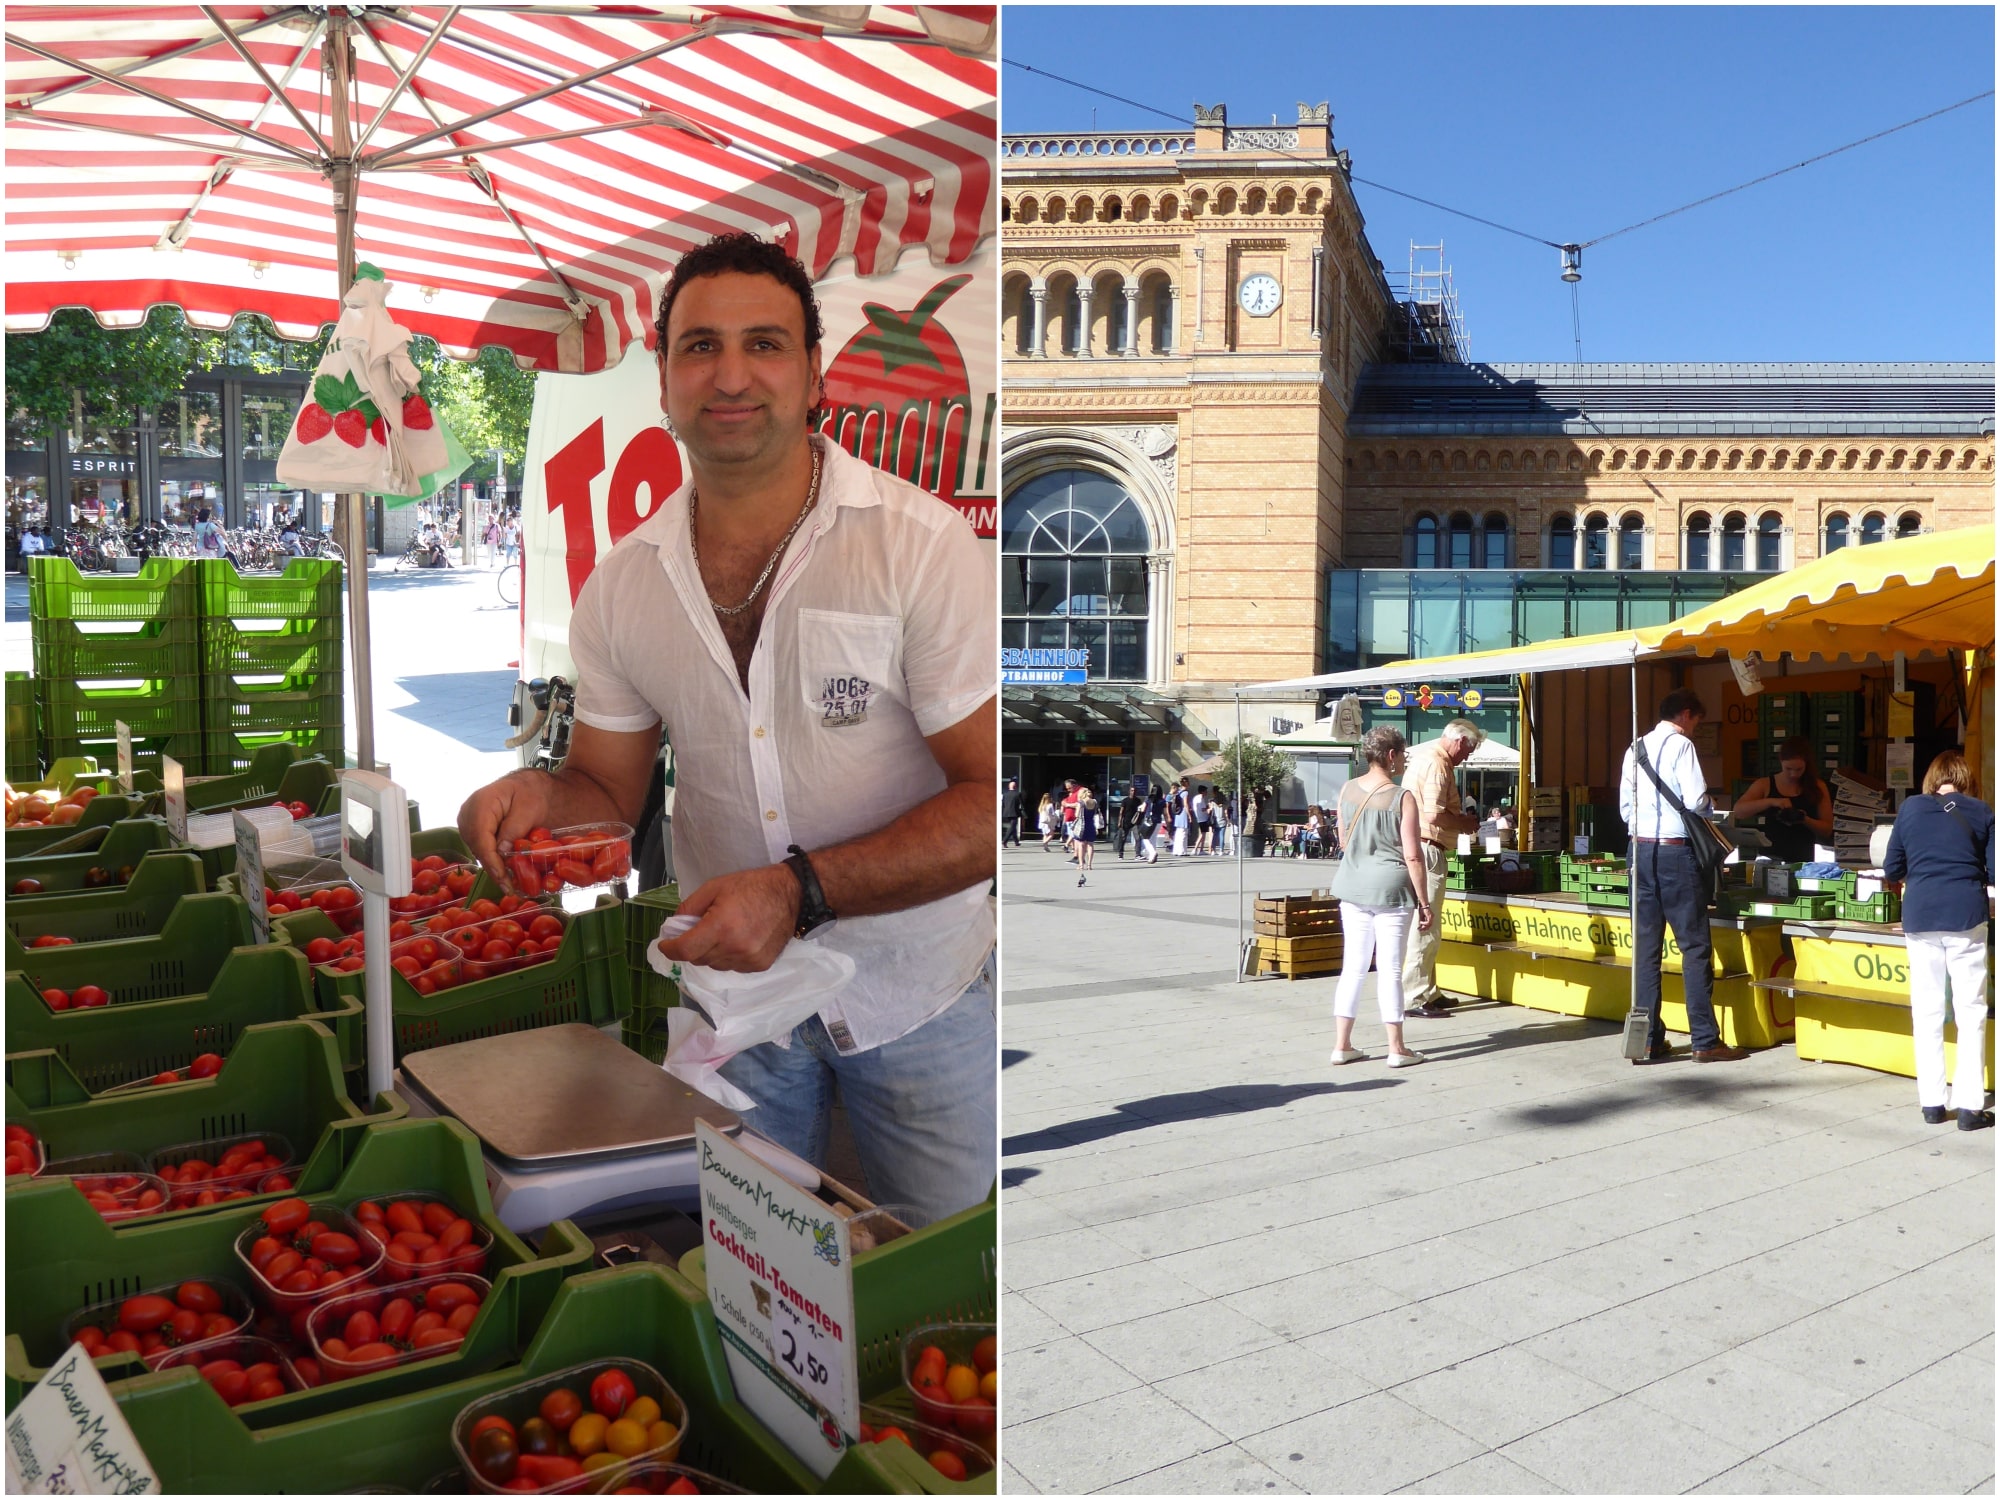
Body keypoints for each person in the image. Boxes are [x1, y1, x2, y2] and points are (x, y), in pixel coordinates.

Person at [457, 232, 995, 1220]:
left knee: (945, 1281)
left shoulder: (921, 547)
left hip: (919, 991)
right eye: (700, 347)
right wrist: (539, 794)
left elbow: (986, 806)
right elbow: (607, 800)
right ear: (662, 381)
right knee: (755, 1264)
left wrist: (800, 890)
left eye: (765, 344)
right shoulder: (622, 587)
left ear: (813, 375)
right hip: (737, 1007)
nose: (731, 375)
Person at [1620, 688, 1745, 1066]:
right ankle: (1705, 1039)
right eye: (1696, 721)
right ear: (1687, 715)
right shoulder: (1682, 746)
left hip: (1639, 851)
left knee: (1646, 951)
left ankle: (1646, 1041)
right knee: (1693, 949)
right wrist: (1709, 806)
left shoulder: (1634, 748)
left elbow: (1626, 807)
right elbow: (1694, 801)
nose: (1695, 729)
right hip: (1676, 853)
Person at [1884, 750, 1994, 1129]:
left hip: (1920, 915)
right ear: (1966, 779)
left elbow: (1892, 867)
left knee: (1927, 1009)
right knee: (1970, 1010)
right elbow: (1995, 871)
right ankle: (1969, 1106)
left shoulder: (1910, 809)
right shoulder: (1982, 812)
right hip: (1965, 915)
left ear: (1932, 778)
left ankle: (1932, 1102)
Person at [1328, 727, 1433, 1067]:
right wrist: (1425, 902)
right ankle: (1396, 1048)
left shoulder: (1347, 789)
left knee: (1353, 968)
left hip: (1352, 888)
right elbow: (1413, 856)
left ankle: (1342, 1045)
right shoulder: (1402, 797)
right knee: (1389, 969)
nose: (1404, 759)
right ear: (1391, 755)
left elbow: (1344, 841)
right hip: (1392, 890)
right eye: (1402, 753)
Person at [1400, 719, 1486, 1017]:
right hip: (1429, 848)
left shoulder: (1424, 759)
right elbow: (1434, 815)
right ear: (1460, 741)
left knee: (1428, 926)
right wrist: (1464, 823)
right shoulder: (1439, 765)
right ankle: (1415, 996)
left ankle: (1428, 990)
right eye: (1470, 749)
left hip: (1419, 847)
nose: (1468, 757)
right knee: (1426, 925)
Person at [1733, 736, 1834, 862]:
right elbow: (1738, 811)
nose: (1793, 774)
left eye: (1799, 769)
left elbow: (1827, 830)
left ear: (1806, 764)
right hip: (1770, 858)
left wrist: (1803, 819)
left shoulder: (1817, 786)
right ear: (1781, 761)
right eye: (1788, 769)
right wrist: (1772, 801)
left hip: (1804, 859)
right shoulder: (1765, 784)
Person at [1074, 785, 1099, 887]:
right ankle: (1089, 864)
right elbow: (1096, 812)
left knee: (1081, 844)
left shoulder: (1081, 802)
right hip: (1091, 824)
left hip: (1082, 825)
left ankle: (1081, 864)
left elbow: (1077, 814)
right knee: (1090, 844)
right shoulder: (1094, 802)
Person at [1115, 782, 1139, 859]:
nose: (1133, 792)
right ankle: (1120, 853)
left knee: (1138, 838)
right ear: (1129, 791)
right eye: (1132, 790)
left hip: (1135, 821)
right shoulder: (1125, 800)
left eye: (1134, 790)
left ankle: (1138, 854)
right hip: (1126, 821)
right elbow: (1121, 812)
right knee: (1123, 838)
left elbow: (1140, 811)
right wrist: (1119, 822)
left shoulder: (1138, 801)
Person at [1000, 776, 1022, 848]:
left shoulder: (1005, 795)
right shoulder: (1017, 794)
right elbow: (1020, 804)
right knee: (1012, 827)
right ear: (1015, 787)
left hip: (1006, 813)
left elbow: (1003, 804)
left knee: (1013, 827)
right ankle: (1005, 841)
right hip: (1014, 813)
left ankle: (1016, 842)